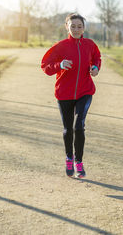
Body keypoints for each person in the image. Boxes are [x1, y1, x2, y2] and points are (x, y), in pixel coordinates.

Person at [41, 13, 101, 178]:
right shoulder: (60, 46)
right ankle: (69, 158)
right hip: (64, 93)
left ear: (84, 28)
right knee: (68, 129)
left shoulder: (90, 45)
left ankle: (79, 162)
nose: (76, 29)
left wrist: (95, 68)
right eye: (72, 26)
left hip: (85, 91)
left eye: (79, 26)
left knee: (78, 126)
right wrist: (59, 65)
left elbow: (96, 58)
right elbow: (45, 66)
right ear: (67, 27)